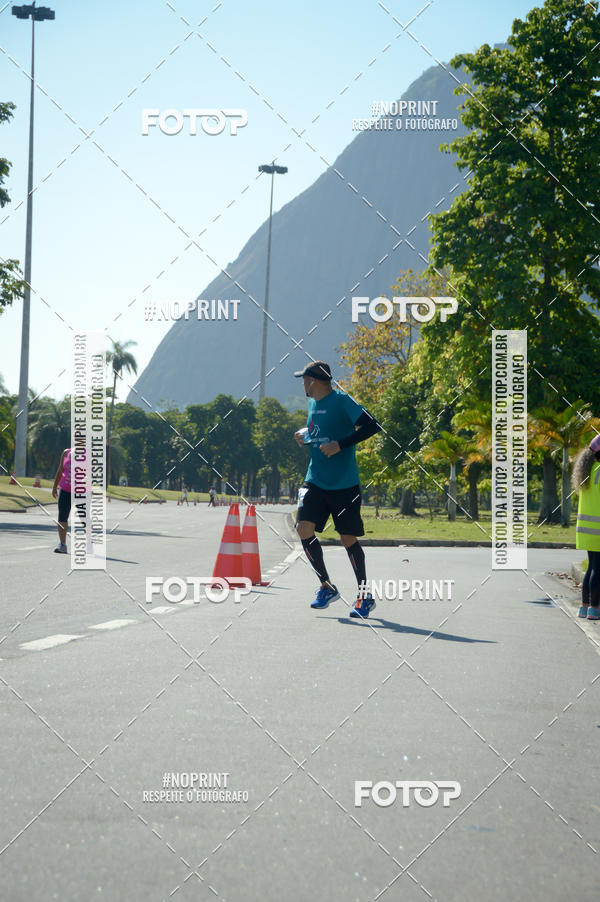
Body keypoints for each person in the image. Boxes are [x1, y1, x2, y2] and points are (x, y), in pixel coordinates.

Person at [293, 360, 381, 618]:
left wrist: (341, 445)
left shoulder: (342, 401)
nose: (302, 384)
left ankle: (364, 595)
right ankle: (326, 586)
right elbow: (318, 433)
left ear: (313, 380)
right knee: (303, 529)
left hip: (344, 484)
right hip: (315, 479)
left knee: (347, 539)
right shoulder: (312, 404)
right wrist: (305, 437)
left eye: (304, 379)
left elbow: (372, 425)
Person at [572, 434, 600, 620]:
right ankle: (595, 609)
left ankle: (584, 607)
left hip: (586, 529)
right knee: (598, 569)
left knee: (592, 566)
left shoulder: (588, 472)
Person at [52, 447, 72, 554]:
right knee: (62, 516)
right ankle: (62, 544)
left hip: (81, 492)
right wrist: (55, 487)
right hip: (65, 490)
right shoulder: (66, 452)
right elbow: (60, 470)